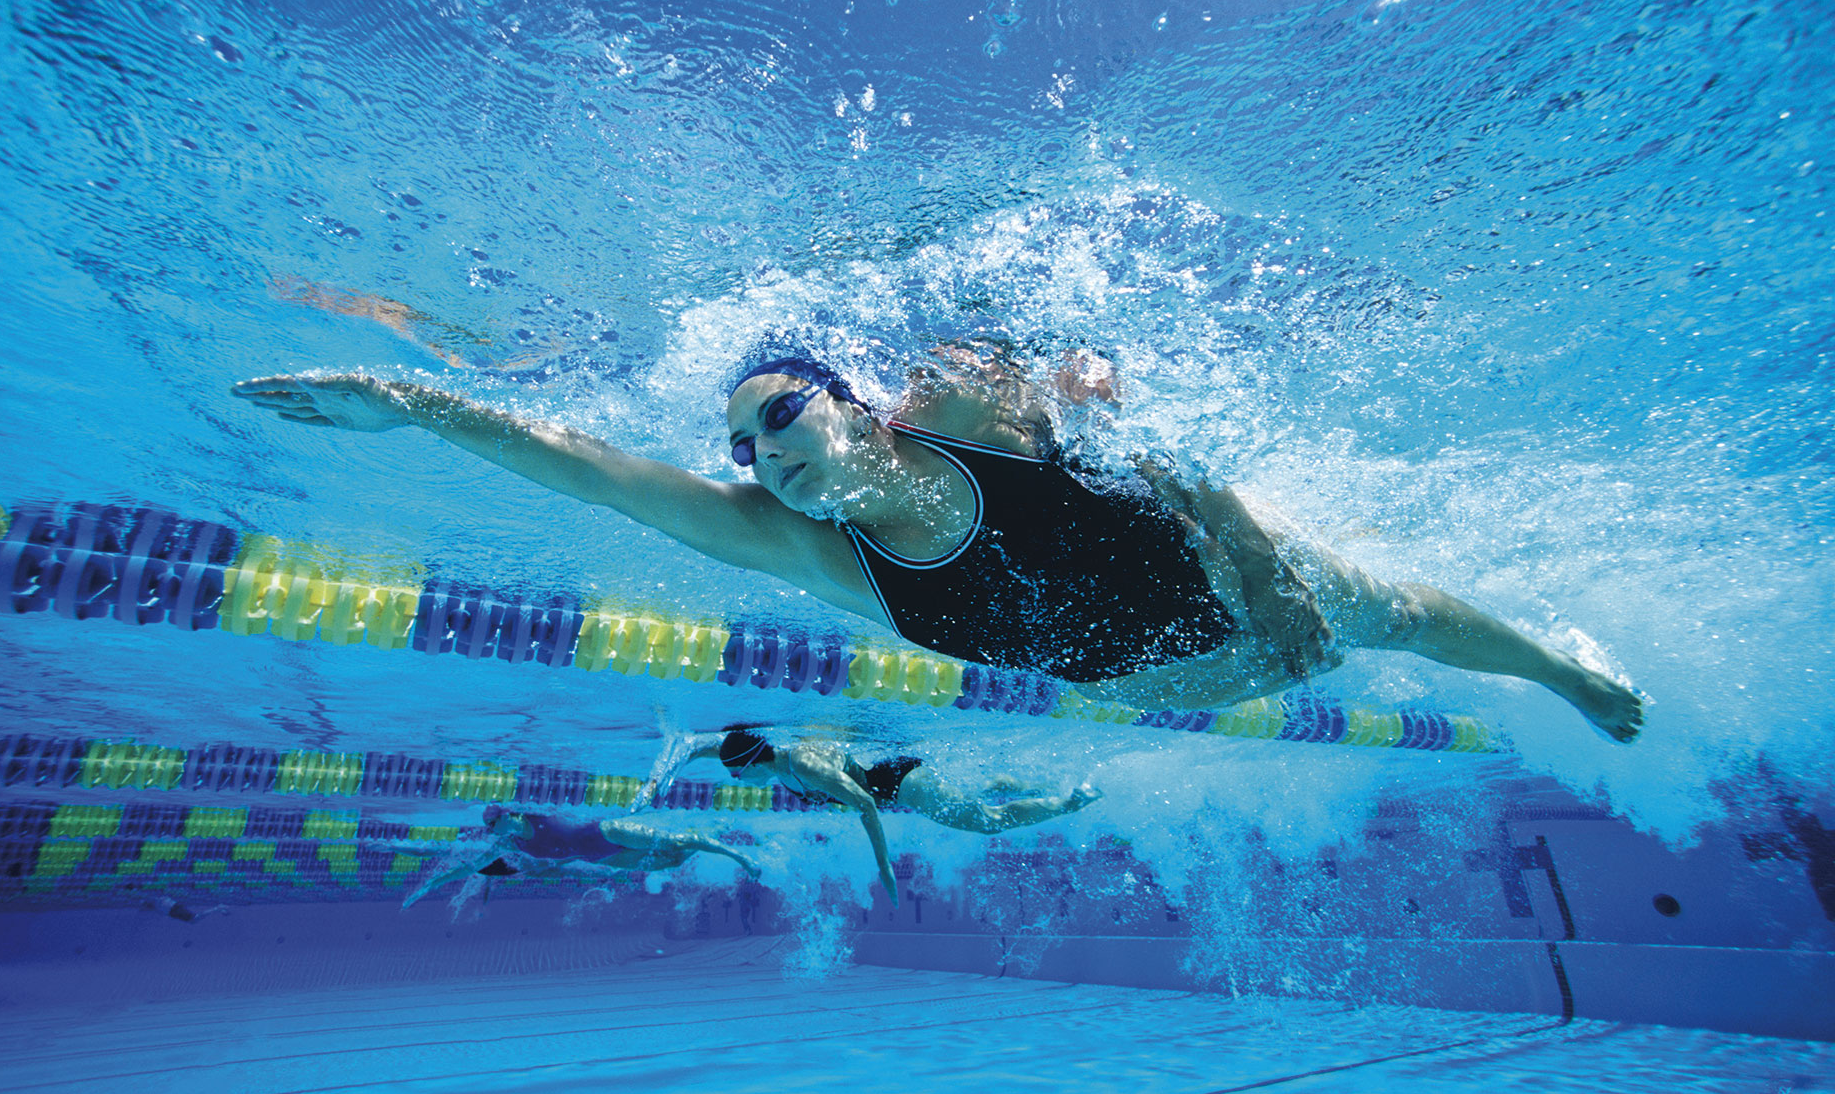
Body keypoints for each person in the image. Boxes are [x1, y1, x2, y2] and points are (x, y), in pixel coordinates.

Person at [232, 330, 1644, 742]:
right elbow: (589, 472)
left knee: (1391, 611)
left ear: (853, 407)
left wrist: (1266, 584)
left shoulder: (967, 404)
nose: (759, 459)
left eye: (778, 417)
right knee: (1361, 630)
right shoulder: (807, 549)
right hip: (1186, 689)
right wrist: (408, 407)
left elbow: (1160, 437)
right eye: (737, 448)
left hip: (1242, 589)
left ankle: (1565, 673)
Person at [680, 727, 1101, 903]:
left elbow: (863, 802)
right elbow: (709, 745)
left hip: (897, 781)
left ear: (752, 762)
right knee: (974, 793)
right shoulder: (770, 764)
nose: (735, 780)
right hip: (889, 785)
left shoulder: (803, 765)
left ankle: (1070, 800)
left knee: (987, 823)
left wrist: (885, 866)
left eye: (735, 773)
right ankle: (1033, 781)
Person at [401, 806, 759, 910]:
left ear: (508, 815)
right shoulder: (510, 848)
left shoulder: (535, 811)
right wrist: (427, 887)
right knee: (672, 859)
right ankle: (713, 831)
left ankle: (739, 855)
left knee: (674, 839)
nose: (492, 830)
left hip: (605, 832)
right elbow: (469, 867)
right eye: (489, 826)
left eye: (493, 822)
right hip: (599, 858)